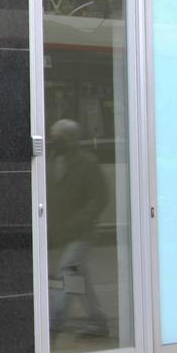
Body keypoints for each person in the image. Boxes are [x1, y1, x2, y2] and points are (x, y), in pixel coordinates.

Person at [46, 118, 110, 336]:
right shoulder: (51, 161)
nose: (53, 141)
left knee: (66, 272)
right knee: (78, 277)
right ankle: (98, 320)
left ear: (71, 139)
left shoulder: (87, 163)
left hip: (81, 232)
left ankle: (54, 323)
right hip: (63, 230)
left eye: (58, 137)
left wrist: (79, 221)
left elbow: (99, 198)